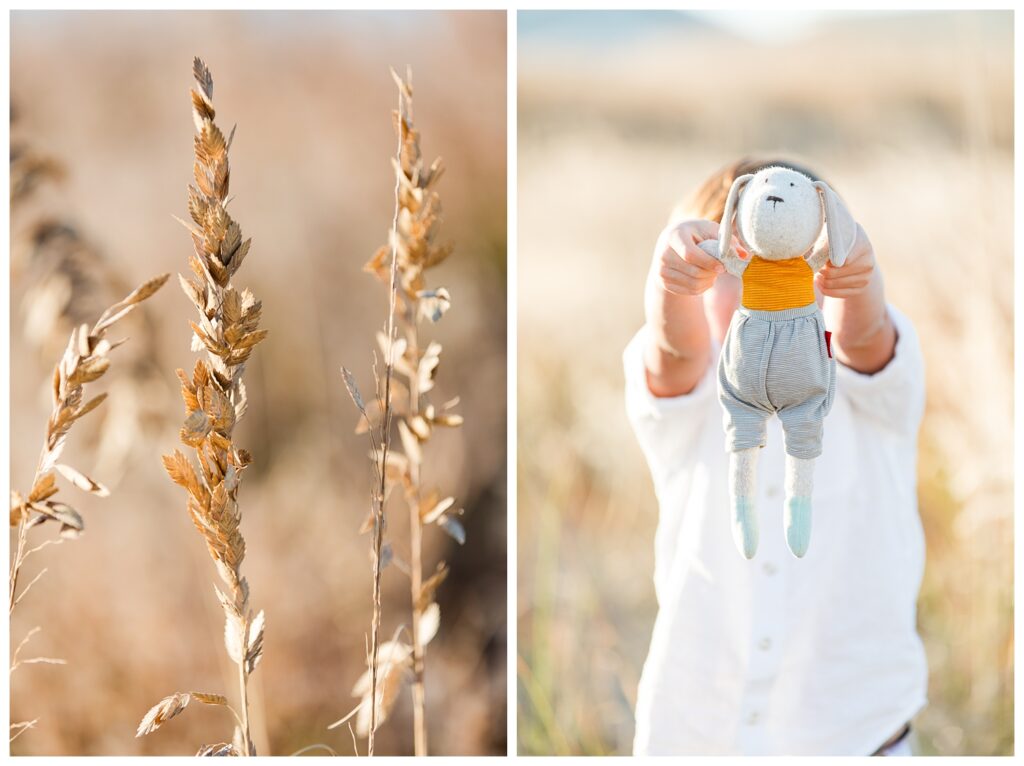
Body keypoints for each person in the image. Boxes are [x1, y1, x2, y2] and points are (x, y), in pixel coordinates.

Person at [623, 157, 926, 756]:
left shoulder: (868, 383)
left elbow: (865, 339)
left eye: (793, 265)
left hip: (855, 728)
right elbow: (673, 351)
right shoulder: (697, 388)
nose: (762, 291)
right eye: (734, 266)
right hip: (704, 726)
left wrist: (859, 280)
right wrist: (669, 280)